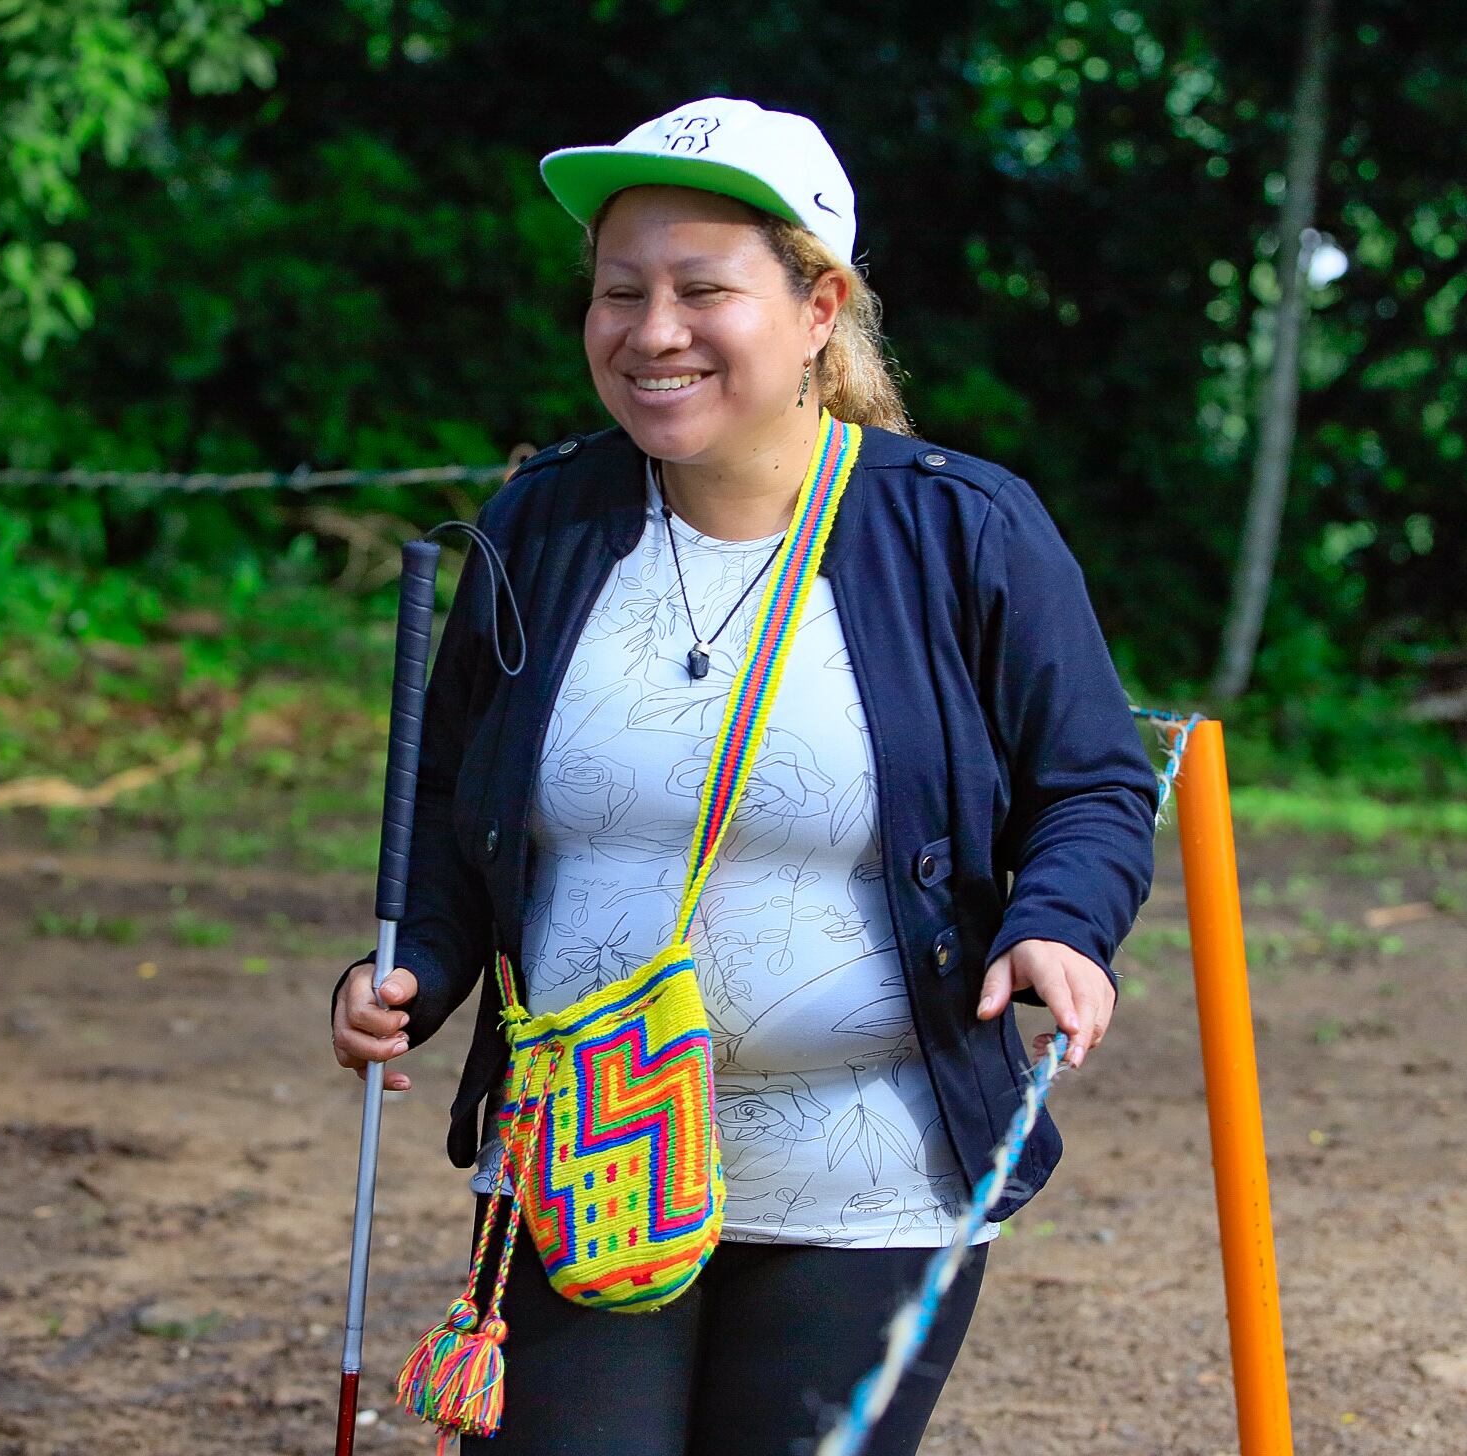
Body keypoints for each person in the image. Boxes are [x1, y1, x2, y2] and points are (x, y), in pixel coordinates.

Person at [332, 97, 1157, 1455]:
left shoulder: (962, 529)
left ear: (820, 304)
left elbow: (1090, 786)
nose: (653, 331)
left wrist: (1061, 927)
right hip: (584, 1160)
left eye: (703, 289)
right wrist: (407, 965)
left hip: (871, 1170)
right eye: (619, 292)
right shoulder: (541, 524)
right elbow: (450, 799)